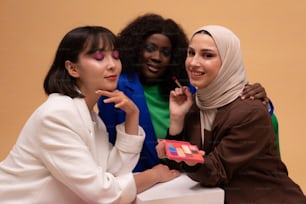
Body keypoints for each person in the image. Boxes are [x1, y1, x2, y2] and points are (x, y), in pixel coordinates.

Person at [0, 26, 179, 204]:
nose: (112, 65)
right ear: (72, 68)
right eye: (99, 57)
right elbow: (101, 193)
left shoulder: (89, 116)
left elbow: (115, 170)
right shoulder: (57, 115)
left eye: (115, 56)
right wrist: (153, 175)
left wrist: (132, 115)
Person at [98, 13, 278, 173]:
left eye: (166, 52)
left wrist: (261, 101)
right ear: (136, 48)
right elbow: (110, 147)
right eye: (150, 48)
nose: (157, 57)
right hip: (138, 184)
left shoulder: (187, 89)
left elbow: (230, 106)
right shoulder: (117, 88)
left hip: (187, 183)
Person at [156, 25, 306, 203]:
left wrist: (179, 153)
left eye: (207, 55)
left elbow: (214, 172)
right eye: (191, 53)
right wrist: (177, 120)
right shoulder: (196, 103)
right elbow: (177, 167)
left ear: (228, 61)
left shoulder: (251, 112)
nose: (194, 62)